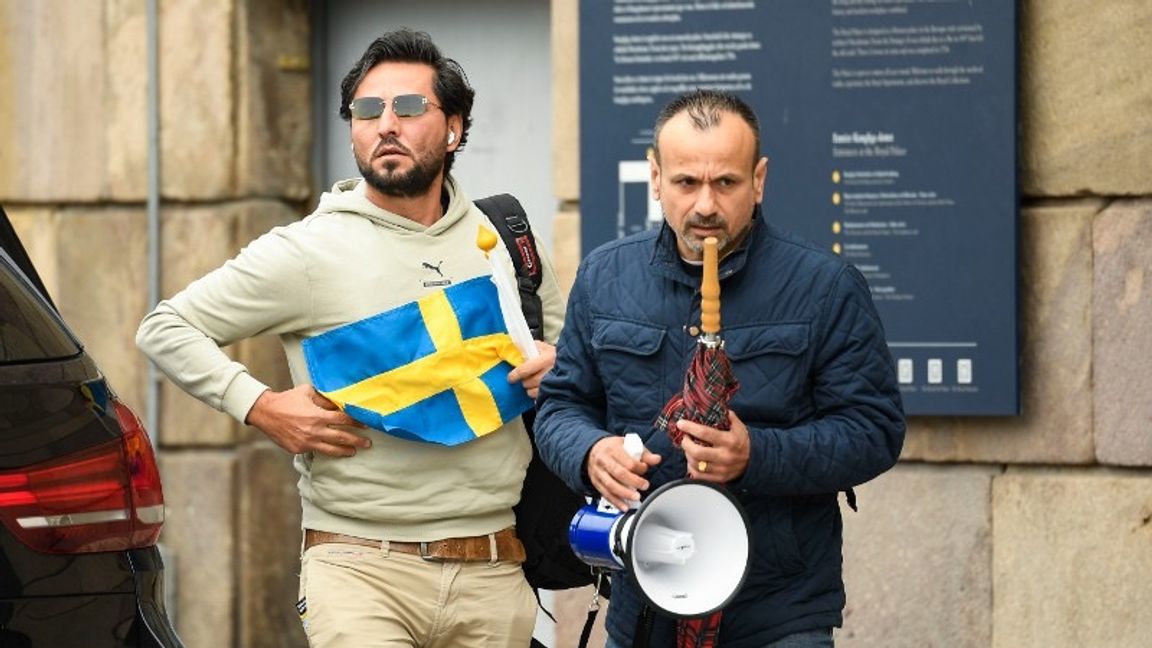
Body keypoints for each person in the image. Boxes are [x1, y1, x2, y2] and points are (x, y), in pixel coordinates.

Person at [136, 29, 564, 648]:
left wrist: (558, 366)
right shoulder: (308, 249)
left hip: (495, 567)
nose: (385, 124)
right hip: (360, 567)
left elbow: (570, 355)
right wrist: (259, 406)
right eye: (368, 110)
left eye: (409, 108)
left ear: (453, 128)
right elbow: (166, 326)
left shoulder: (506, 237)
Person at [534, 89, 906, 647]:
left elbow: (874, 431)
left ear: (758, 180)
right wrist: (590, 453)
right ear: (655, 178)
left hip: (777, 609)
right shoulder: (605, 275)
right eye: (686, 183)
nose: (706, 205)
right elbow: (561, 406)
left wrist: (756, 454)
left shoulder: (825, 286)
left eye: (726, 183)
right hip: (644, 604)